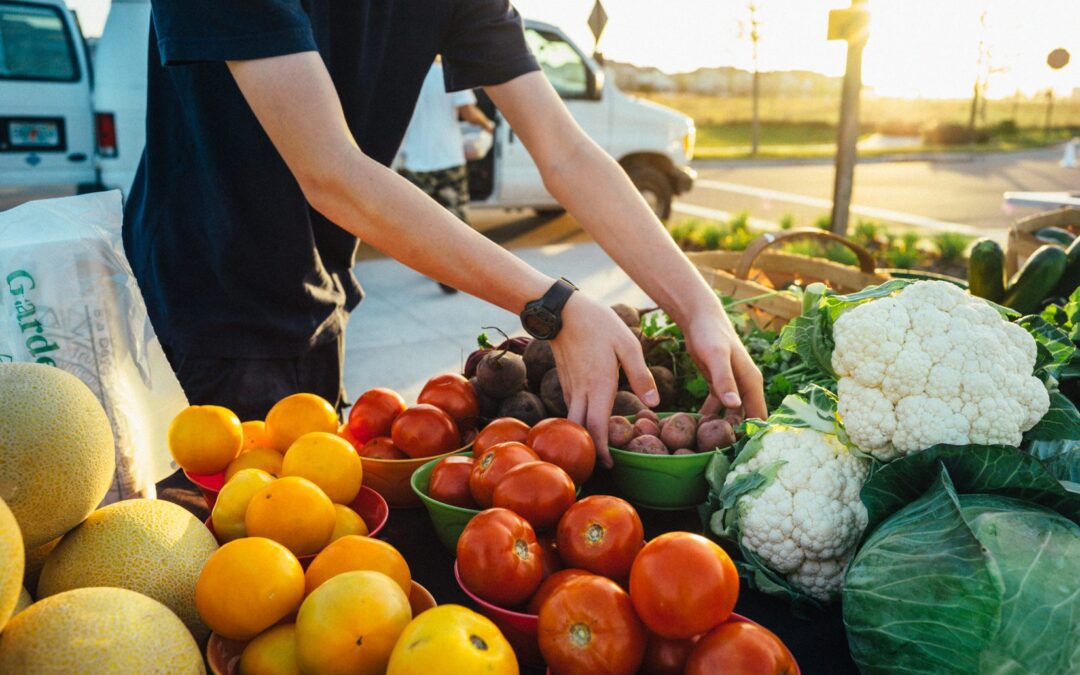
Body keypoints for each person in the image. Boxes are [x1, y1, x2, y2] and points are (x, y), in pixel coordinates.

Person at [123, 0, 766, 470]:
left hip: (318, 296)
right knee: (213, 569)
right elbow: (331, 171)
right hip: (200, 307)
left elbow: (566, 152)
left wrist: (698, 308)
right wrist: (555, 306)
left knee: (308, 540)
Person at [398, 60, 493, 294]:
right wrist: (488, 124)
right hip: (448, 160)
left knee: (424, 223)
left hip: (415, 161)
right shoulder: (449, 73)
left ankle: (433, 267)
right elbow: (469, 113)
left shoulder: (405, 74)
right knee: (456, 221)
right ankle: (452, 276)